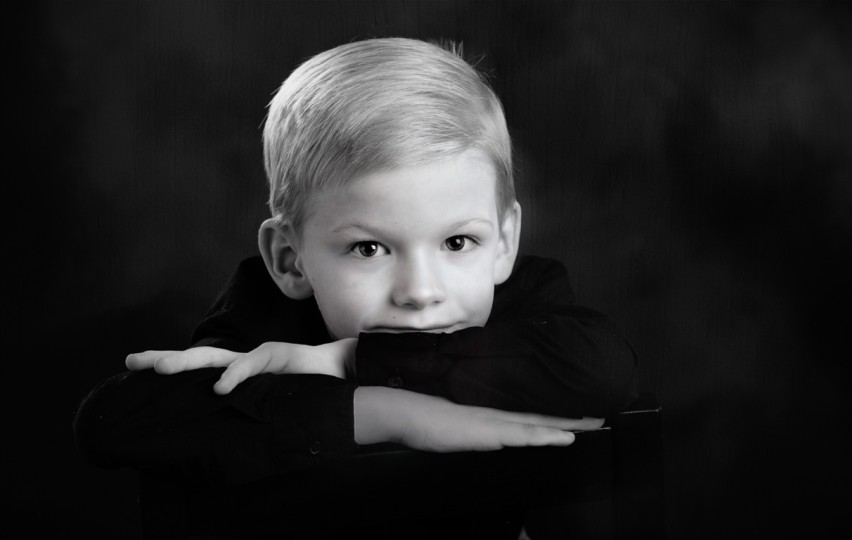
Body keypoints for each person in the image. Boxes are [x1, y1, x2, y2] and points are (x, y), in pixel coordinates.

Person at [74, 37, 638, 524]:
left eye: (457, 242)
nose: (420, 291)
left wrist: (346, 362)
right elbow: (113, 422)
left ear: (504, 243)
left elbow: (603, 367)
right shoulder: (265, 317)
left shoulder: (522, 299)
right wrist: (386, 412)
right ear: (291, 260)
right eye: (369, 248)